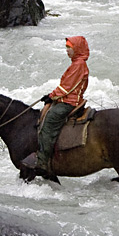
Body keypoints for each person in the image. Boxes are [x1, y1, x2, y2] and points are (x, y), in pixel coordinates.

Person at [31, 36, 90, 174]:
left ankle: (43, 161)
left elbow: (67, 87)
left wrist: (51, 96)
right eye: (67, 48)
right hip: (66, 98)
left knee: (50, 119)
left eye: (69, 48)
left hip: (70, 102)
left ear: (77, 49)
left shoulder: (78, 65)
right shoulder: (76, 63)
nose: (67, 51)